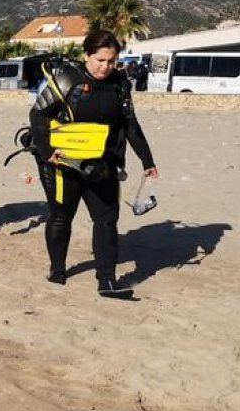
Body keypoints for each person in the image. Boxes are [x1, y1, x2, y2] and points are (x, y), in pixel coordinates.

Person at [29, 29, 158, 298]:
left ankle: (107, 280)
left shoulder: (120, 84)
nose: (106, 67)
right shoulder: (67, 80)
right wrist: (47, 151)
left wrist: (147, 160)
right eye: (100, 60)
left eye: (111, 61)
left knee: (107, 219)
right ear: (87, 55)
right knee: (62, 217)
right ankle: (57, 269)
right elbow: (38, 114)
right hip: (64, 163)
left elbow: (129, 124)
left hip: (104, 163)